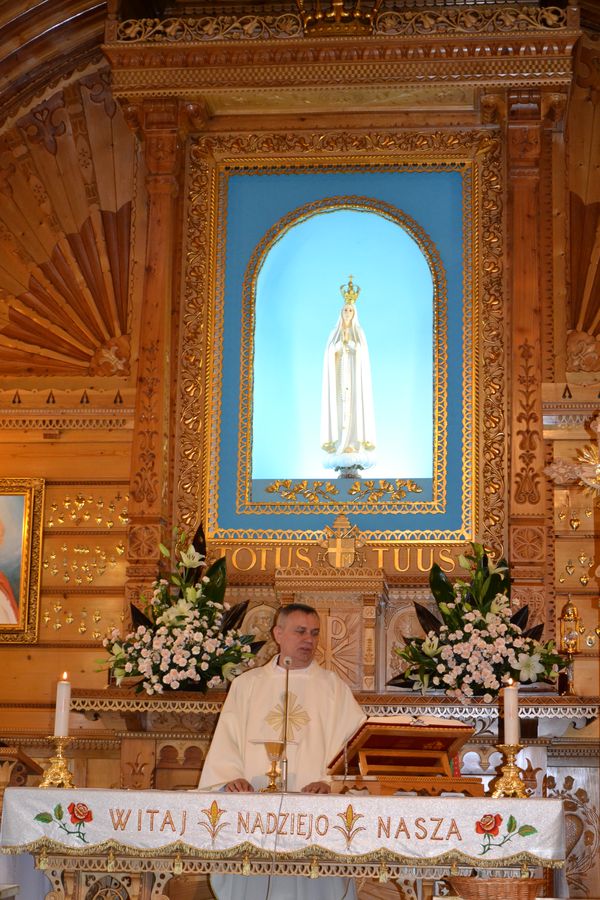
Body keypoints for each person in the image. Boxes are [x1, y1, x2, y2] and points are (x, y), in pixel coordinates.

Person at [199, 602, 366, 900]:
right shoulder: (246, 685)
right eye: (300, 631)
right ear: (278, 633)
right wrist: (230, 778)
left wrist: (329, 783)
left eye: (314, 633)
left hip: (314, 816)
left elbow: (354, 747)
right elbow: (227, 740)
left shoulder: (333, 688)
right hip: (253, 812)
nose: (309, 640)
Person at [320, 276, 376, 476]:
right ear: (341, 312)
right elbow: (329, 352)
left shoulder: (359, 332)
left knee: (354, 409)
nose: (347, 313)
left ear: (354, 313)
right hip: (338, 379)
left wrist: (351, 346)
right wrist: (338, 347)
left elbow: (362, 354)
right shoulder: (334, 332)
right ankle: (340, 445)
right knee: (339, 409)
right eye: (345, 310)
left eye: (350, 310)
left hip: (354, 379)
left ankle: (353, 443)